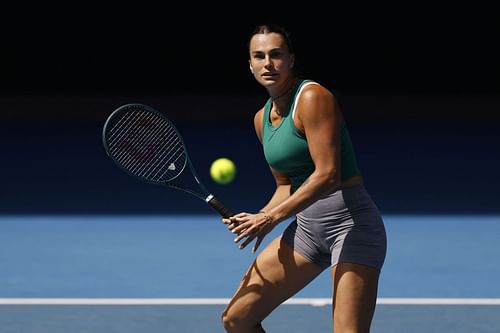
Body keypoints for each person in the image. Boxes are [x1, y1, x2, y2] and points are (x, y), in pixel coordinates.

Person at [221, 24, 387, 333]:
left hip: (351, 228)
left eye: (276, 55)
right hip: (308, 232)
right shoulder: (261, 119)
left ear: (291, 60)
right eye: (259, 56)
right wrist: (259, 216)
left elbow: (328, 175)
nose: (268, 64)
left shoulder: (312, 97)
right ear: (250, 64)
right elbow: (286, 185)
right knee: (237, 319)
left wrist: (271, 219)